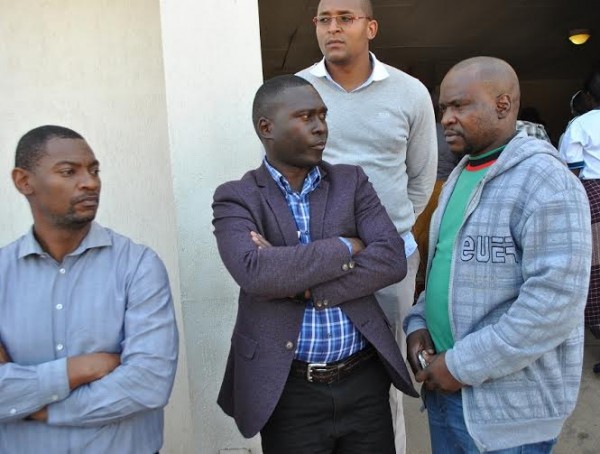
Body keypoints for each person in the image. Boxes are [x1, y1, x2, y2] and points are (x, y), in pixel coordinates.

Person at [212, 75, 418, 454]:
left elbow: (391, 258)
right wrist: (347, 245)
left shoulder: (350, 182)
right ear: (266, 127)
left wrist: (304, 286)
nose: (320, 126)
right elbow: (256, 273)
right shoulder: (237, 198)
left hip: (363, 380)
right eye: (305, 116)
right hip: (288, 390)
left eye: (322, 115)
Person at [404, 57, 592, 453]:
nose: (446, 119)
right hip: (445, 391)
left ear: (503, 105)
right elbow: (443, 265)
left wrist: (460, 366)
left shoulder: (547, 181)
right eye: (443, 109)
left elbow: (553, 304)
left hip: (508, 414)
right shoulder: (460, 175)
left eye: (459, 106)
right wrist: (418, 321)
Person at [297, 1, 437, 450]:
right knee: (319, 368)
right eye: (324, 19)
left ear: (371, 27)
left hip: (387, 260)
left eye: (346, 18)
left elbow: (421, 177)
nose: (332, 28)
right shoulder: (298, 89)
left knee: (388, 369)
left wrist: (384, 232)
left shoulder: (409, 92)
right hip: (317, 260)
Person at [0, 125, 179, 453]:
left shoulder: (137, 265)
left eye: (94, 170)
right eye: (69, 171)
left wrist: (42, 407)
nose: (90, 182)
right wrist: (76, 370)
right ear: (23, 181)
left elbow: (149, 383)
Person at [559, 68, 600, 373]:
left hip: (593, 200)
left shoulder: (581, 125)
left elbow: (569, 173)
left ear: (587, 96)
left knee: (595, 274)